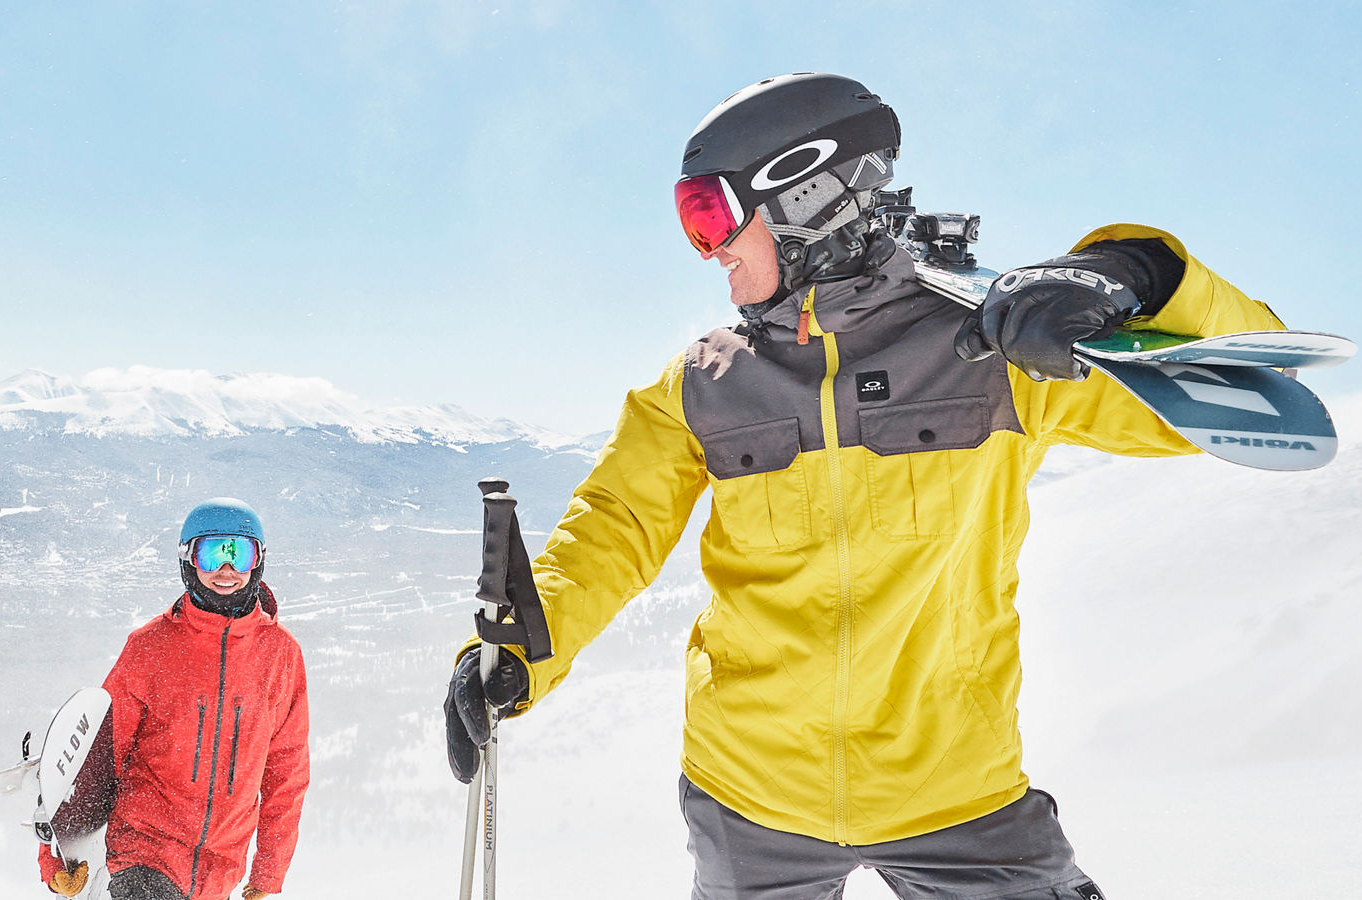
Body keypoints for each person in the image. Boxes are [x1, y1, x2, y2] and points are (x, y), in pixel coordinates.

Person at [440, 73, 1290, 900]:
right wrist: (518, 651)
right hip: (750, 797)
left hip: (957, 795)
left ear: (805, 200)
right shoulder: (704, 383)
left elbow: (1249, 392)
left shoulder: (996, 352)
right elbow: (613, 525)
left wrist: (1138, 272)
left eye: (715, 218)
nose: (711, 252)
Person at [40, 498, 310, 900]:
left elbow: (286, 774)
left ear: (259, 561)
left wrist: (268, 874)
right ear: (188, 559)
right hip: (144, 853)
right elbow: (94, 756)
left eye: (240, 553)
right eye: (212, 552)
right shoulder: (150, 647)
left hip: (221, 872)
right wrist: (54, 857)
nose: (226, 570)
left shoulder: (280, 655)